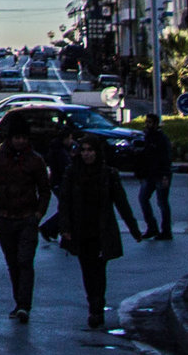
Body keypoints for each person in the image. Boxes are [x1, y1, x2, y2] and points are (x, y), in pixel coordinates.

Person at [57, 134, 136, 329]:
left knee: (99, 270)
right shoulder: (72, 172)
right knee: (87, 269)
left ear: (97, 152)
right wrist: (65, 227)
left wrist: (133, 228)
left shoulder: (108, 174)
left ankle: (97, 306)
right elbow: (64, 202)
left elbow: (121, 202)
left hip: (101, 230)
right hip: (80, 229)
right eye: (83, 150)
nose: (86, 154)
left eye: (90, 150)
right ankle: (93, 304)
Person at [0, 114, 54, 323]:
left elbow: (45, 190)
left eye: (24, 137)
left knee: (25, 261)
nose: (21, 141)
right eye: (17, 137)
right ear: (10, 138)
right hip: (4, 218)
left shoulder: (35, 160)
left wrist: (38, 214)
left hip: (27, 219)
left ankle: (24, 305)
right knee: (13, 263)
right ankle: (18, 302)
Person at [134, 112, 174, 240]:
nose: (147, 125)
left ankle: (166, 231)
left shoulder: (162, 139)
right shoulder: (147, 137)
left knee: (162, 202)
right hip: (149, 175)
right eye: (146, 122)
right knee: (143, 199)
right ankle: (152, 227)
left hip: (160, 174)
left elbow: (166, 158)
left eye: (150, 122)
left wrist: (165, 176)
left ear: (156, 124)